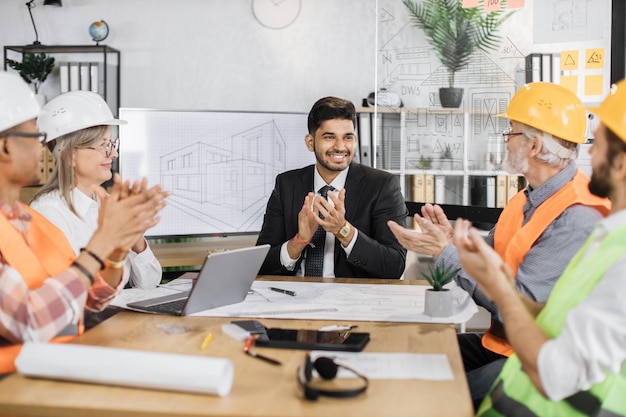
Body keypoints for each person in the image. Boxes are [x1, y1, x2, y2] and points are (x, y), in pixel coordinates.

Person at [387, 82, 611, 408]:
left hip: (538, 359)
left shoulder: (577, 217)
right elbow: (491, 254)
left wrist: (445, 253)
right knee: (413, 354)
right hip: (504, 344)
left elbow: (518, 309)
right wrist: (453, 241)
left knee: (435, 398)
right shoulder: (526, 198)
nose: (506, 140)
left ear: (533, 146)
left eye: (511, 132)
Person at [452, 78, 626, 416]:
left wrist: (501, 290)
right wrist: (492, 276)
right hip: (522, 370)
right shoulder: (609, 234)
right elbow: (552, 313)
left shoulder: (589, 227)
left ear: (620, 162)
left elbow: (557, 374)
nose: (587, 151)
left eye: (598, 143)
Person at [0, 71, 168, 374]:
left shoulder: (27, 221)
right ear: (6, 148)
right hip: (19, 385)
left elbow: (88, 303)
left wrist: (118, 251)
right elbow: (33, 323)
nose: (43, 148)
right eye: (36, 137)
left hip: (65, 362)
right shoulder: (45, 213)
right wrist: (101, 245)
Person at [256, 96, 407, 278]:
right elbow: (262, 263)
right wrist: (299, 241)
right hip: (294, 295)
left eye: (348, 138)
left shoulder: (382, 186)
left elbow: (394, 267)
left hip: (351, 299)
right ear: (310, 142)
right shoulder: (287, 184)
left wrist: (344, 231)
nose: (340, 146)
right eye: (329, 137)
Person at [31, 91, 161, 290]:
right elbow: (72, 292)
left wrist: (135, 238)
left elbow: (150, 284)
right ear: (68, 156)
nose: (114, 153)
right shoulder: (48, 214)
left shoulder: (107, 204)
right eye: (103, 146)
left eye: (111, 144)